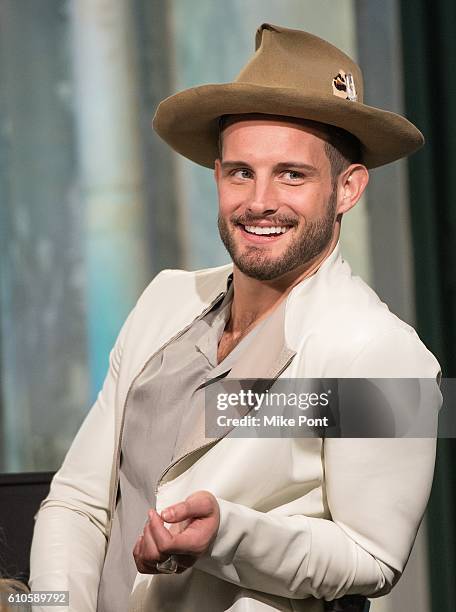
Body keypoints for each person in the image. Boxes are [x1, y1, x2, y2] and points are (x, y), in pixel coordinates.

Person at [29, 23, 441, 612]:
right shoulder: (165, 299)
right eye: (240, 171)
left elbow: (373, 558)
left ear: (347, 188)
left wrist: (228, 534)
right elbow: (77, 500)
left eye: (291, 175)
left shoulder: (389, 356)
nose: (258, 201)